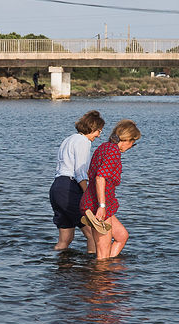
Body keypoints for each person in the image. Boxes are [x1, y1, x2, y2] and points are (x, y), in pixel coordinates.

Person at [79, 119, 141, 260]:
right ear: (126, 139)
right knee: (102, 255)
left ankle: (107, 275)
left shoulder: (104, 147)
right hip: (98, 205)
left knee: (122, 236)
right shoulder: (113, 152)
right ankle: (101, 278)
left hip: (97, 201)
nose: (131, 146)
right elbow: (100, 177)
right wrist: (101, 206)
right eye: (133, 143)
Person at [50, 110, 105, 252]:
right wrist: (89, 195)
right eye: (99, 131)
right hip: (70, 187)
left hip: (57, 187)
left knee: (65, 239)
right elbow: (80, 172)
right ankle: (93, 270)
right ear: (92, 128)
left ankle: (60, 270)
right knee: (93, 234)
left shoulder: (68, 139)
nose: (99, 135)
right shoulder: (83, 142)